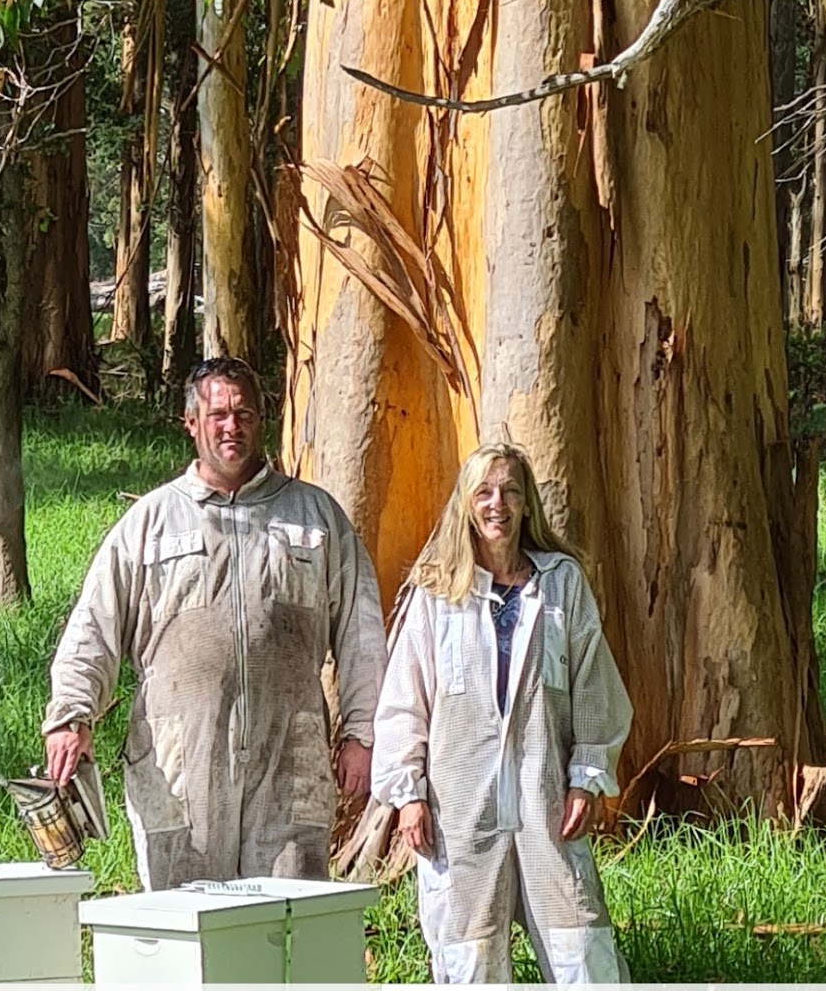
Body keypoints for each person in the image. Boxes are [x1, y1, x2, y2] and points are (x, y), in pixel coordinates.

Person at [42, 356, 387, 890]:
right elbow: (94, 628)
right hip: (179, 762)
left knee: (287, 926)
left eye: (244, 412)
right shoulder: (150, 523)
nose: (232, 425)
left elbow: (363, 636)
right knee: (187, 927)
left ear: (261, 418)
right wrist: (70, 715)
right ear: (191, 423)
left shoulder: (315, 516)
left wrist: (362, 734)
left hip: (289, 757)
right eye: (218, 413)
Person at [372, 441, 633, 984]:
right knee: (470, 961)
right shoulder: (437, 592)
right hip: (460, 812)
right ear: (466, 503)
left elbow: (594, 687)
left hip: (547, 805)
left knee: (584, 954)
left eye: (511, 491)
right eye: (484, 491)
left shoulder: (560, 584)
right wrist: (408, 795)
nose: (498, 503)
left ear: (527, 504)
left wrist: (586, 777)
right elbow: (404, 701)